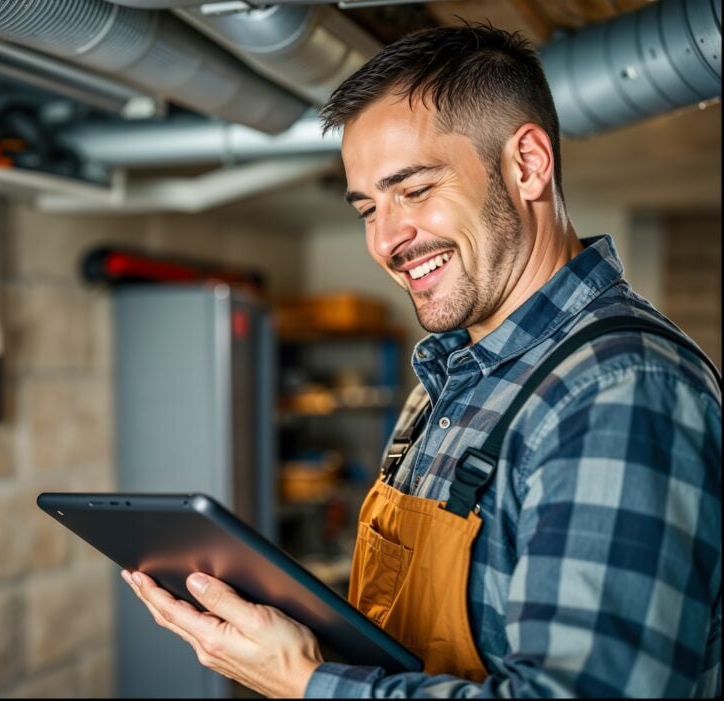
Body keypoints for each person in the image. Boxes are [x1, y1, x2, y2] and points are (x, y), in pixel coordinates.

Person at [122, 23, 722, 698]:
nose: (386, 240)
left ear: (527, 163)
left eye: (413, 190)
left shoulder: (615, 389)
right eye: (367, 208)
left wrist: (306, 681)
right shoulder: (448, 379)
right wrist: (291, 634)